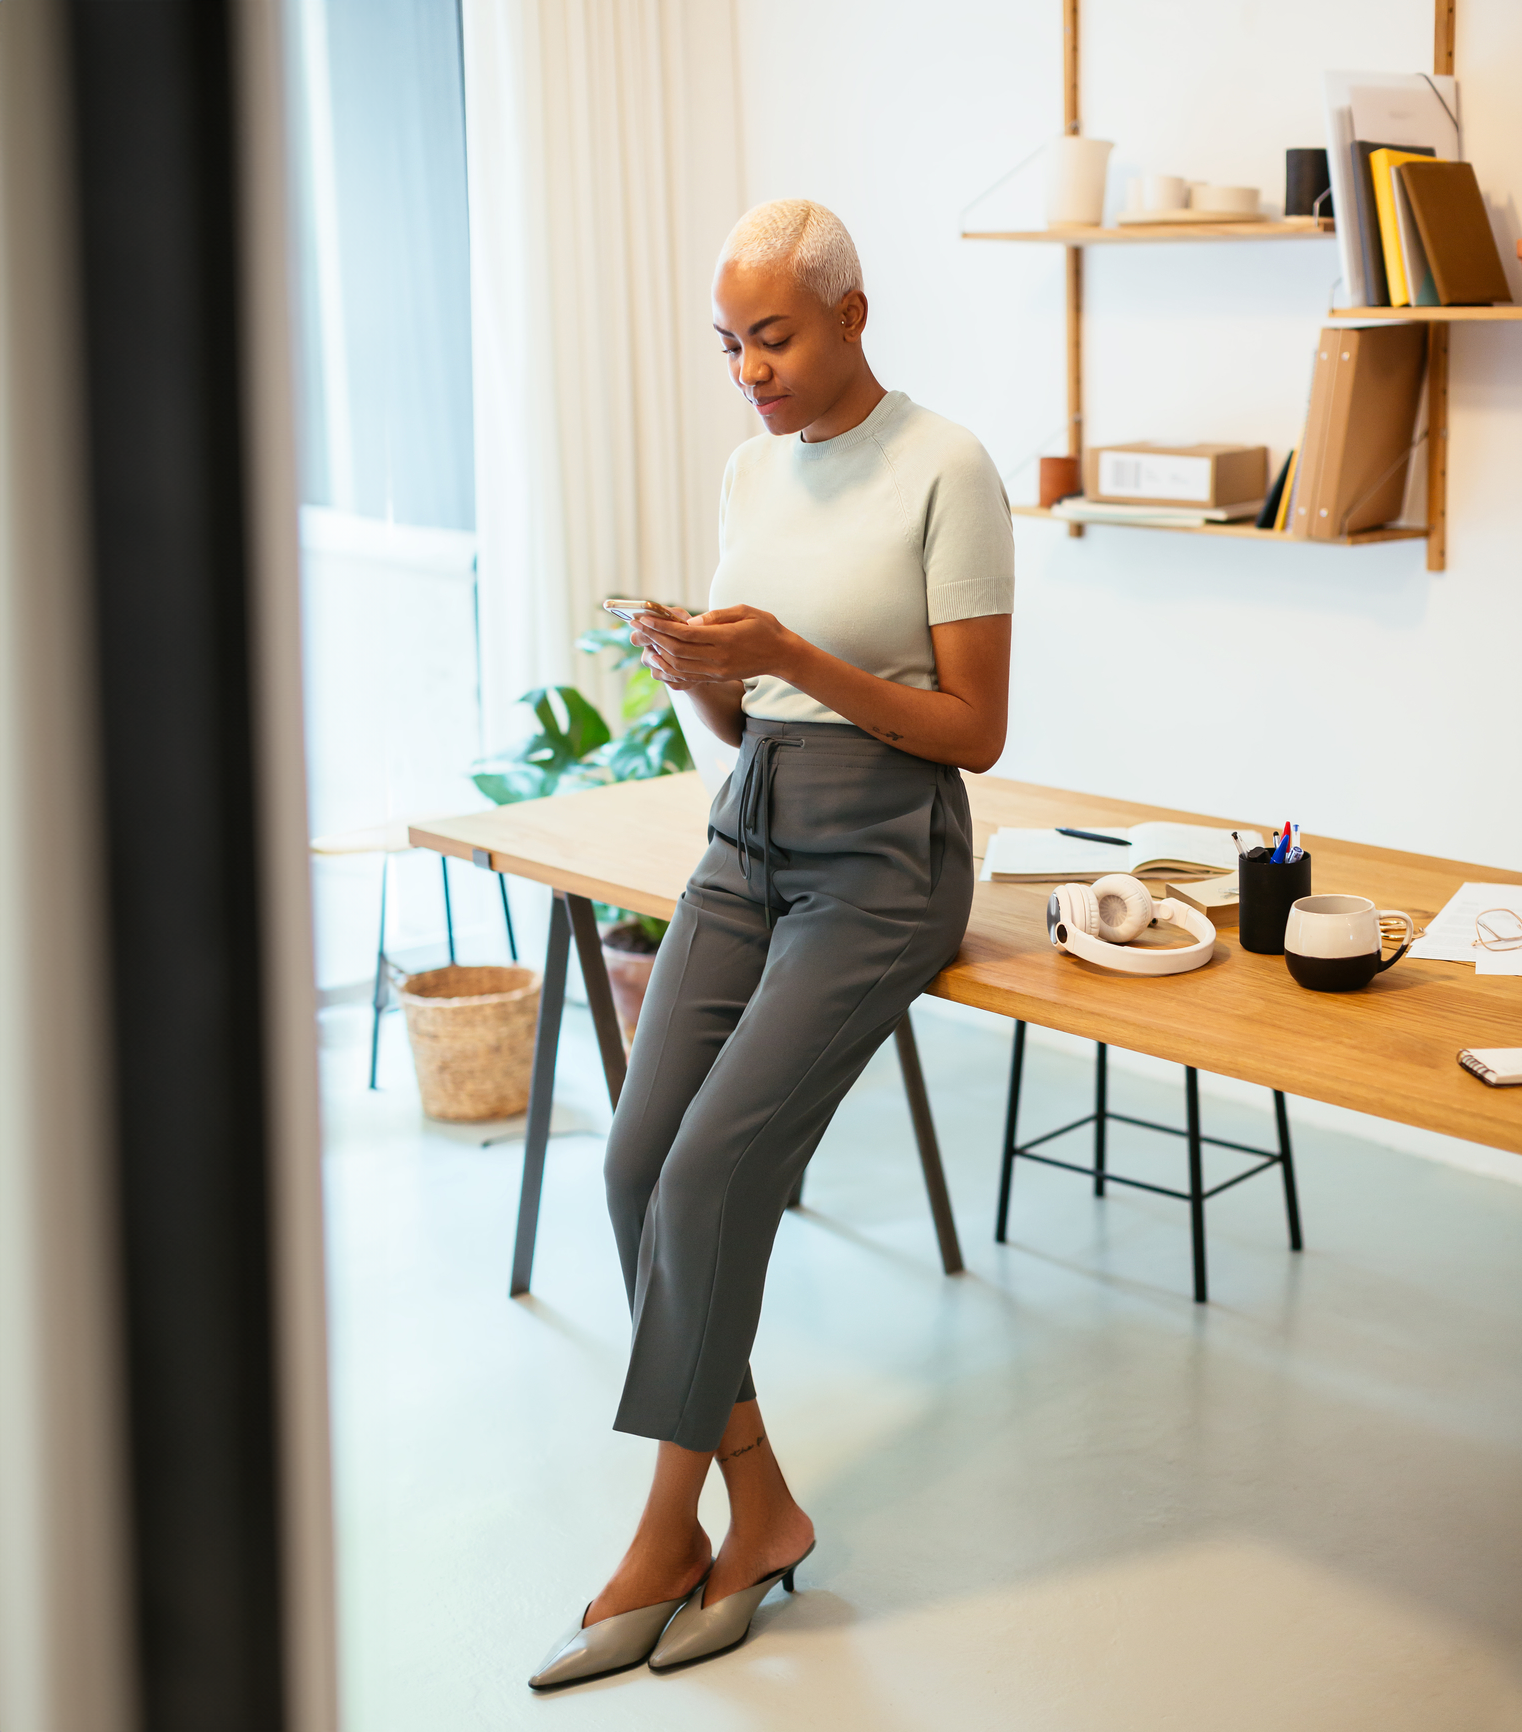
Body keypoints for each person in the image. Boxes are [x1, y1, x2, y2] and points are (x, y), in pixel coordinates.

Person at [529, 199, 1013, 1689]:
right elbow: (747, 721)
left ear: (852, 315)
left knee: (710, 1169)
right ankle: (761, 1506)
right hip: (748, 830)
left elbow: (974, 733)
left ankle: (666, 1529)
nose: (747, 369)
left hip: (882, 859)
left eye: (773, 336)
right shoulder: (750, 469)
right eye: (728, 343)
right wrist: (697, 673)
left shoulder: (948, 467)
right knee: (632, 1164)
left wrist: (791, 653)